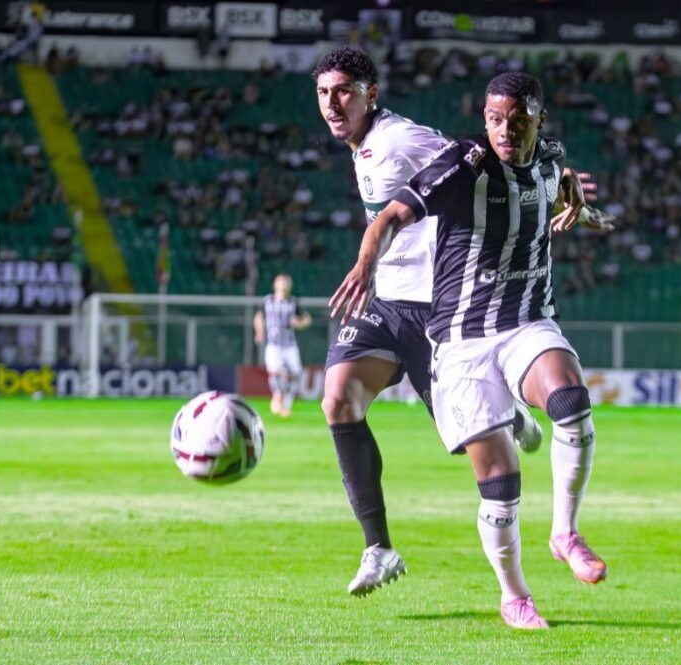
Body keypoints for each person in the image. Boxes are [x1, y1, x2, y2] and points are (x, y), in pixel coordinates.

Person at [331, 72, 607, 629]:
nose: (508, 129)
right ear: (485, 119)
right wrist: (365, 263)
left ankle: (565, 532)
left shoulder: (550, 160)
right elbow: (389, 217)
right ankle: (515, 595)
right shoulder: (461, 166)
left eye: (520, 118)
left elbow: (556, 172)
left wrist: (576, 196)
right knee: (500, 483)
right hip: (459, 339)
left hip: (527, 320)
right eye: (497, 119)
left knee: (571, 400)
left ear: (539, 119)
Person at [312, 47, 545, 598]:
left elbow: (482, 157)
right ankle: (379, 549)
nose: (332, 102)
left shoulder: (398, 138)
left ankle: (506, 412)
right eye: (323, 92)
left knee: (472, 444)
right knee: (337, 399)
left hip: (433, 309)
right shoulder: (364, 145)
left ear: (371, 93)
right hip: (384, 304)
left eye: (344, 90)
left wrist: (549, 171)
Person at [253, 273, 311, 418]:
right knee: (275, 371)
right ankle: (278, 395)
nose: (284, 285)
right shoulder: (267, 301)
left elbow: (307, 319)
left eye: (286, 283)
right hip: (273, 344)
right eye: (281, 282)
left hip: (290, 344)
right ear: (275, 285)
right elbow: (259, 317)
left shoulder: (293, 302)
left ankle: (286, 405)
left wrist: (300, 323)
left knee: (295, 373)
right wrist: (259, 332)